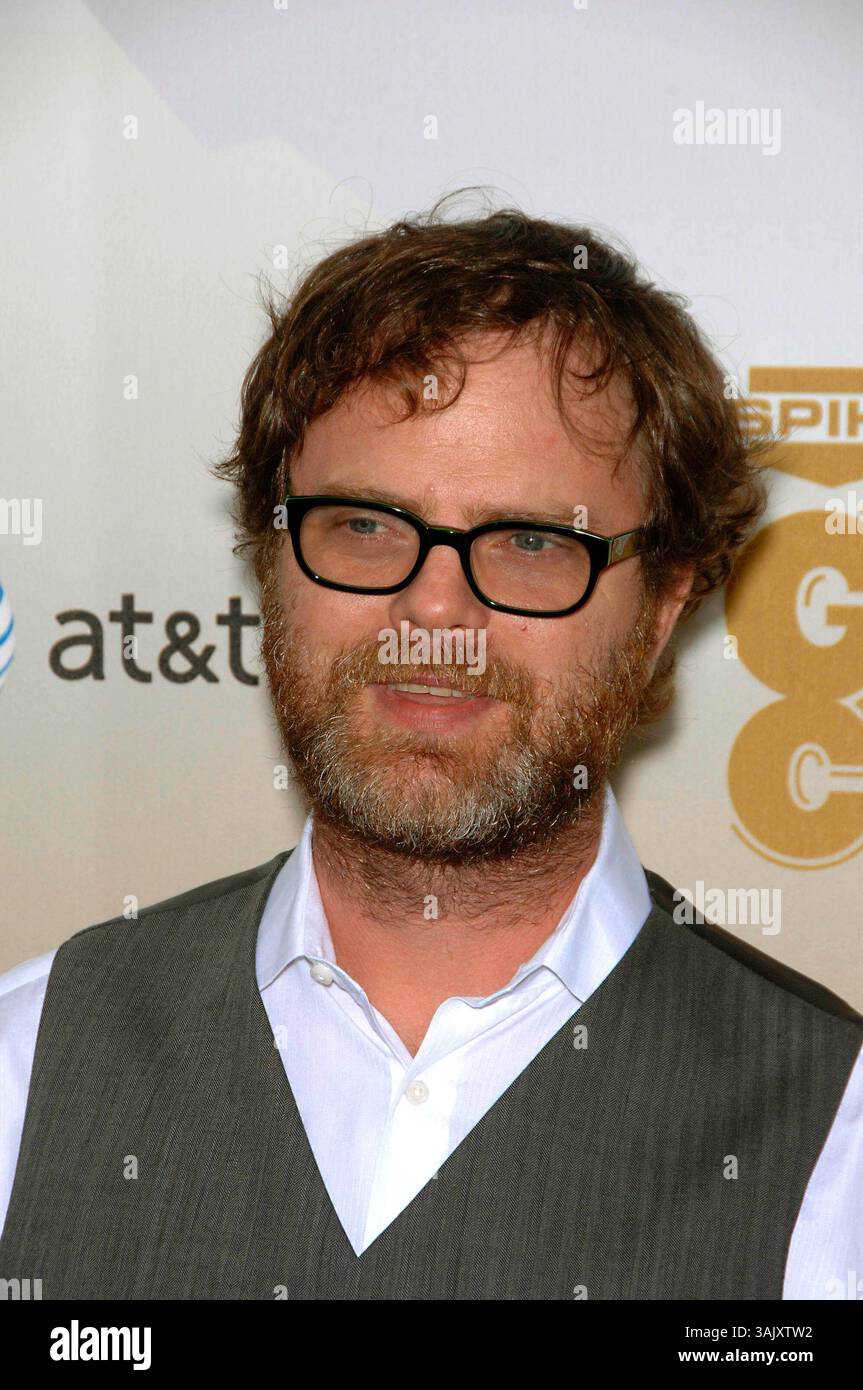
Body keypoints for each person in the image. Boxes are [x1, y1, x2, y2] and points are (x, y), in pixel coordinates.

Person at [1, 195, 860, 1300]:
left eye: (531, 542)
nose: (430, 612)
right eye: (363, 524)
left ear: (659, 609)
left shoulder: (829, 1139)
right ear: (270, 563)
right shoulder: (31, 1068)